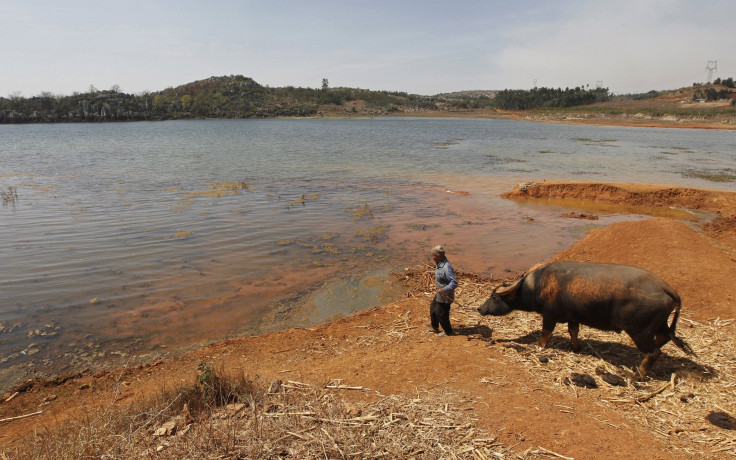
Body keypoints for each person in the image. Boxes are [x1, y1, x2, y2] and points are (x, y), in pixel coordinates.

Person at [429, 245, 457, 335]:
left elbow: (454, 283)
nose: (432, 257)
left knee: (442, 315)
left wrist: (444, 289)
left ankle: (448, 331)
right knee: (433, 309)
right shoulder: (439, 262)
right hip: (439, 293)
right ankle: (435, 326)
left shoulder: (446, 267)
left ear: (438, 256)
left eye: (433, 256)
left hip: (445, 295)